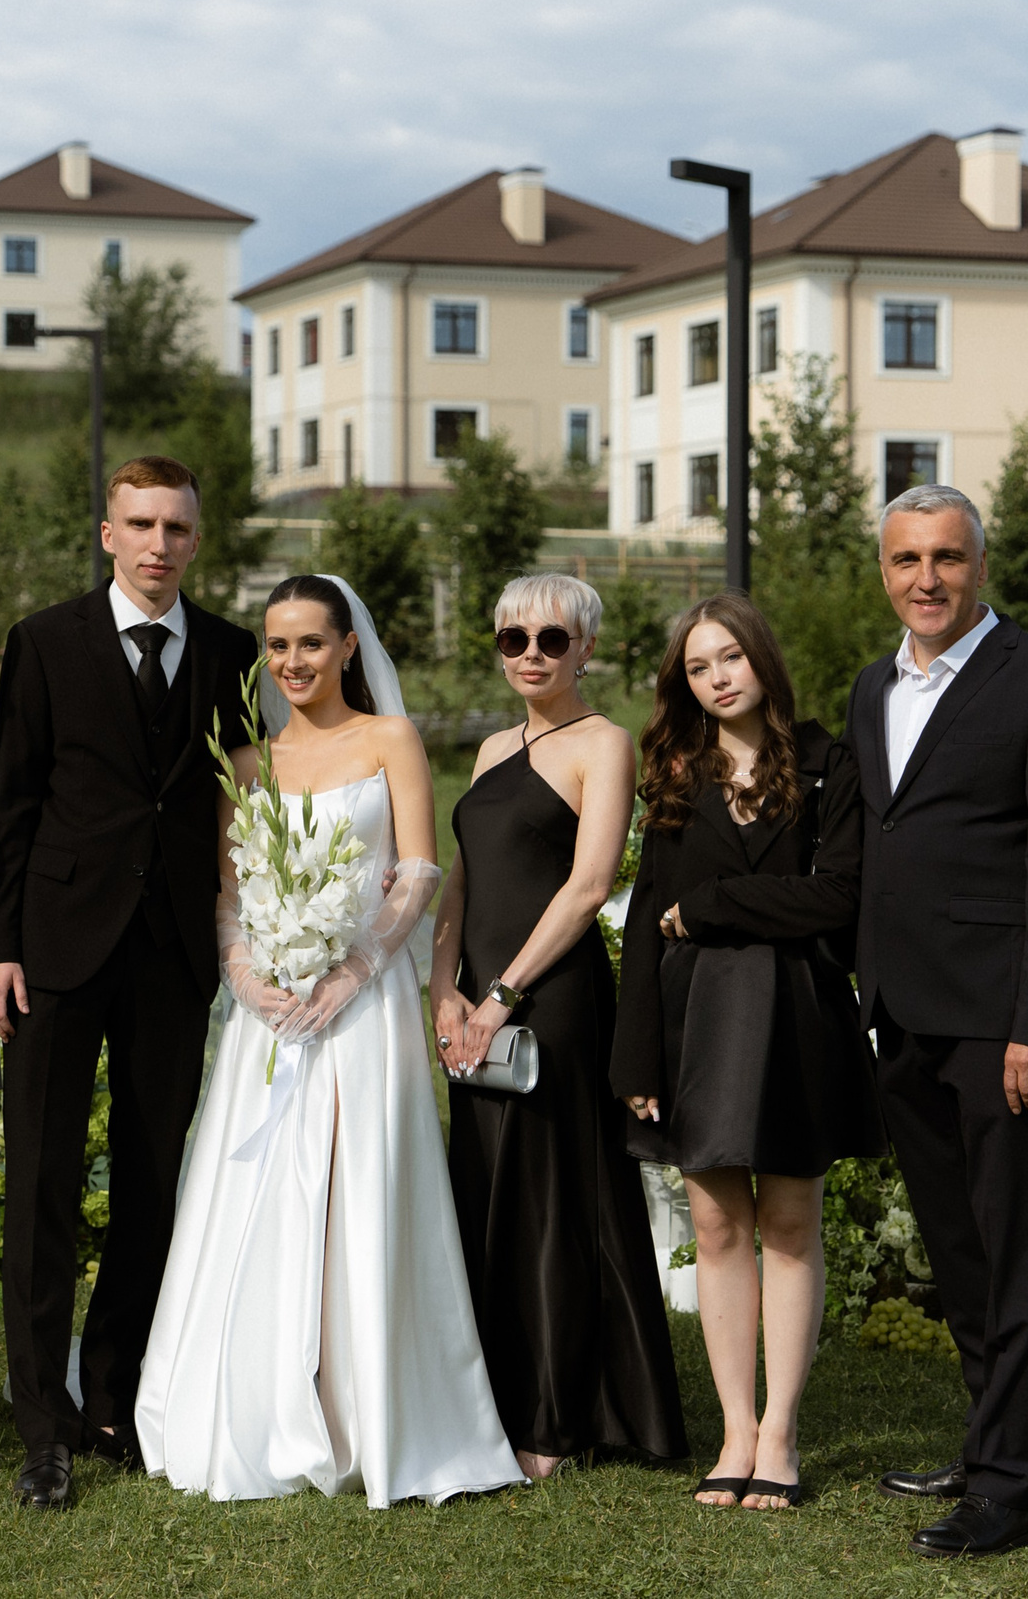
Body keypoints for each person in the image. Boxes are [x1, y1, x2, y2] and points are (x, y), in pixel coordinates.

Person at [136, 574, 523, 1507]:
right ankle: (254, 1393)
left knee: (362, 1185)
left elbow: (421, 866)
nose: (293, 662)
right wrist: (246, 973)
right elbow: (232, 889)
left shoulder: (388, 739)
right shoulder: (250, 760)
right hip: (269, 1010)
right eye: (277, 646)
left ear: (350, 646)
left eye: (312, 642)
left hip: (364, 1003)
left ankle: (368, 1409)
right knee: (254, 1187)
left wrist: (353, 967)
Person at [0, 456, 262, 1512]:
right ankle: (40, 1423)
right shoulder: (43, 643)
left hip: (173, 954)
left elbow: (245, 803)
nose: (157, 545)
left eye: (176, 528)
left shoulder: (233, 652)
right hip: (53, 949)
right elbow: (16, 804)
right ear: (107, 533)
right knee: (43, 1186)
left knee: (152, 1183)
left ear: (196, 538)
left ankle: (114, 1397)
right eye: (139, 524)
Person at [844, 483, 1028, 1560]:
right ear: (884, 571)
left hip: (1002, 1025)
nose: (926, 579)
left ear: (979, 566)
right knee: (955, 1249)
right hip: (902, 1014)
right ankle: (984, 1435)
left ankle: (1011, 1487)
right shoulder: (875, 688)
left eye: (946, 558)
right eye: (906, 560)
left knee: (1011, 1249)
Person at [613, 594, 876, 1512]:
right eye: (697, 666)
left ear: (762, 658)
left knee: (791, 1223)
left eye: (730, 656)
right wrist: (635, 1057)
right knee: (718, 1227)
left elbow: (837, 898)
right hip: (696, 1019)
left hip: (796, 1011)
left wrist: (719, 905)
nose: (718, 676)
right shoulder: (674, 774)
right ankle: (733, 1428)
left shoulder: (827, 763)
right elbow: (650, 917)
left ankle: (781, 1432)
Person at [433, 574, 687, 1480]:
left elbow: (588, 886)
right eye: (513, 639)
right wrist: (444, 990)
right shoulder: (491, 746)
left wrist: (500, 992)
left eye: (550, 638)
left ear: (585, 648)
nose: (531, 654)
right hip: (474, 1009)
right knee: (487, 1192)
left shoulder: (604, 744)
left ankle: (554, 1417)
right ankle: (490, 1401)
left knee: (550, 1204)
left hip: (557, 1002)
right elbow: (458, 882)